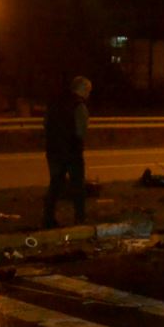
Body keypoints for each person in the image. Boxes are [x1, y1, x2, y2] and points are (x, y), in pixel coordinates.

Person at [43, 76, 92, 228]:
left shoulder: (55, 102)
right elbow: (81, 132)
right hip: (72, 152)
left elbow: (46, 124)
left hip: (54, 150)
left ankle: (48, 218)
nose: (89, 94)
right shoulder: (79, 106)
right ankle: (80, 218)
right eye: (88, 91)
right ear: (82, 89)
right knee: (78, 186)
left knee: (55, 185)